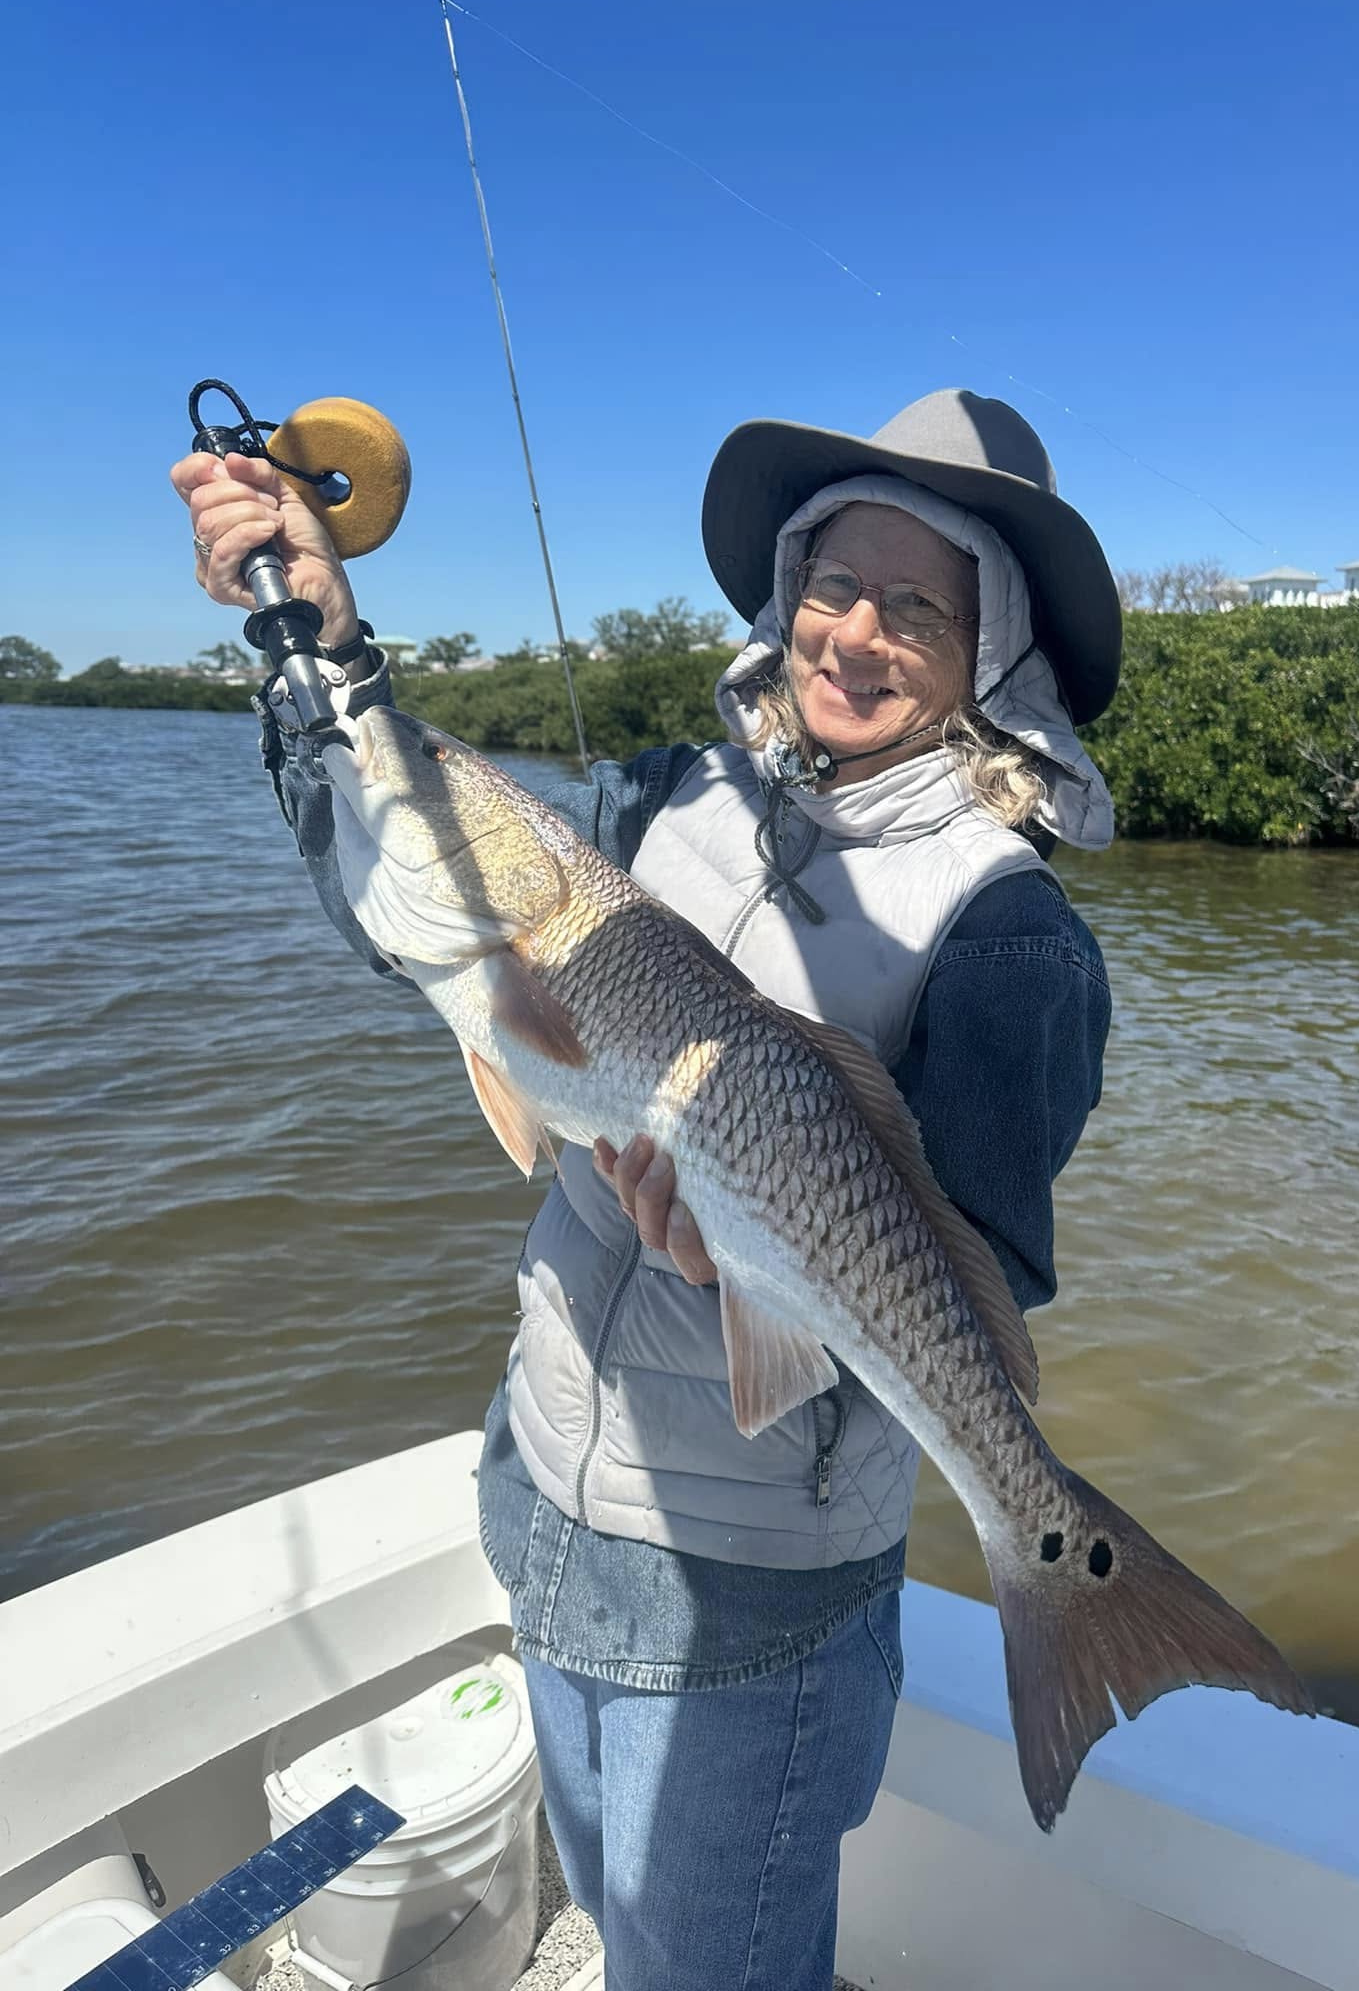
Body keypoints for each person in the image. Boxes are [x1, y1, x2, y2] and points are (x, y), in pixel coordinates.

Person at [172, 388, 1120, 1991]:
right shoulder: (654, 799)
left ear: (993, 655)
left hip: (753, 1600)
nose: (855, 635)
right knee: (620, 1924)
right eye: (832, 583)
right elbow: (401, 881)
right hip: (544, 1488)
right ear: (782, 596)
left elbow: (989, 1270)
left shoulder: (1010, 933)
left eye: (918, 605)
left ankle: (1067, 1576)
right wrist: (318, 641)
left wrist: (755, 1258)